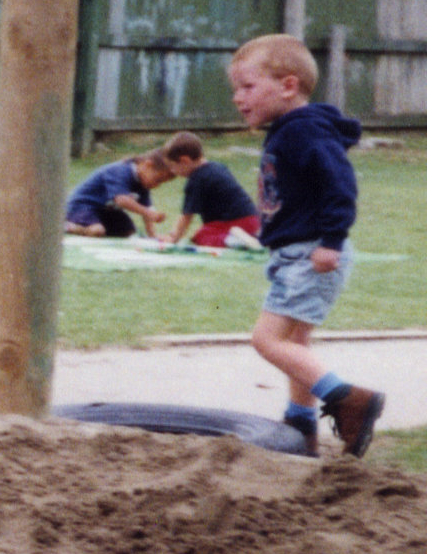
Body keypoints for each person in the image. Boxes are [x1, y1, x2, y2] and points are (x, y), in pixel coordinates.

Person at [228, 34, 383, 457]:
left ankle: (349, 399)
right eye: (235, 90)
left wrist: (331, 240)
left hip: (311, 252)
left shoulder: (304, 130)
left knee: (267, 340)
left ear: (288, 86)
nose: (239, 98)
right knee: (295, 343)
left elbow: (341, 186)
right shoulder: (290, 130)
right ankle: (300, 425)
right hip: (296, 252)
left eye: (247, 87)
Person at [158, 132, 262, 250]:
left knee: (202, 237)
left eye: (172, 166)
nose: (172, 171)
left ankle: (234, 240)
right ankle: (250, 237)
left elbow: (186, 216)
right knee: (206, 231)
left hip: (234, 223)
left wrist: (173, 238)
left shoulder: (197, 179)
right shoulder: (217, 167)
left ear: (185, 161)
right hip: (253, 221)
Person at [63, 146, 184, 237]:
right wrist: (148, 213)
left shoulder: (143, 183)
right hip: (83, 206)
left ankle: (93, 227)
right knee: (97, 230)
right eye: (158, 180)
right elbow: (121, 200)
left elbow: (147, 209)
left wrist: (152, 235)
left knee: (129, 232)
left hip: (106, 211)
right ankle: (70, 227)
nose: (157, 185)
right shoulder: (121, 171)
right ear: (147, 165)